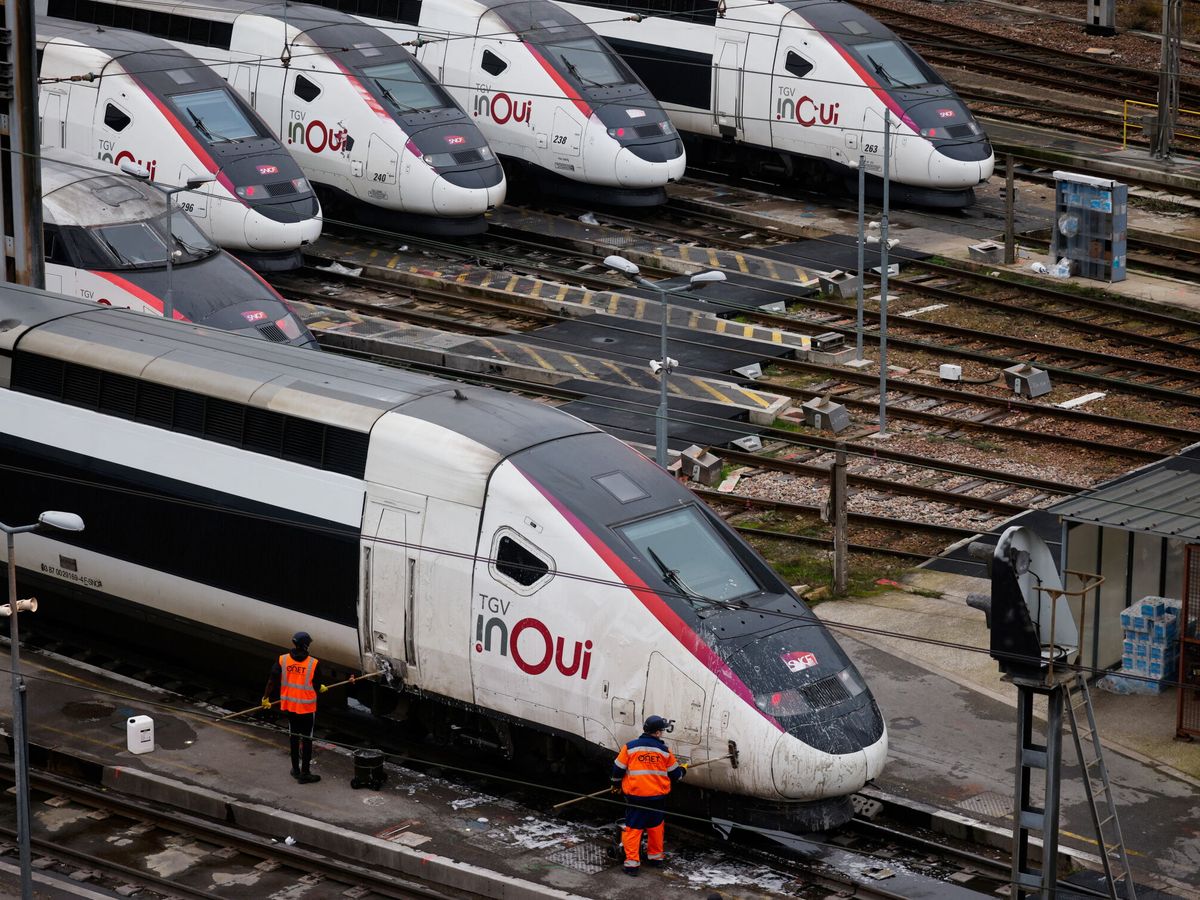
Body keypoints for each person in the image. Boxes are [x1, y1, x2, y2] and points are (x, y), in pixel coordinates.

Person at [610, 715, 686, 876]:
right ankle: (655, 858)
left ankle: (632, 865)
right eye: (662, 730)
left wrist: (616, 785)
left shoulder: (630, 747)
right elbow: (676, 775)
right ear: (657, 733)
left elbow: (617, 769)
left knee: (633, 830)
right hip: (657, 799)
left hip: (636, 798)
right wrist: (683, 769)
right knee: (656, 828)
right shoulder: (664, 752)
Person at [262, 631, 328, 784]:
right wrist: (321, 688)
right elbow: (316, 685)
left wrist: (266, 698)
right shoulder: (313, 663)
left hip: (290, 707)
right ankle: (305, 773)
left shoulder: (283, 660)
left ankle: (295, 770)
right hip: (306, 709)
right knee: (307, 739)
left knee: (293, 737)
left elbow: (272, 680)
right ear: (306, 645)